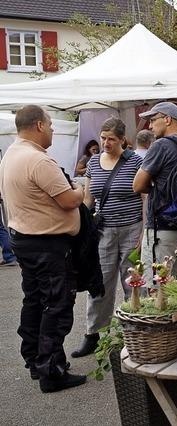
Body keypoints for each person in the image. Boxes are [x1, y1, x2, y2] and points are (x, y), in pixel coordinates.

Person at [0, 105, 87, 392]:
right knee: (56, 304)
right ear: (38, 125)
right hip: (46, 243)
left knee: (36, 300)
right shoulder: (38, 161)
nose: (52, 130)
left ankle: (37, 360)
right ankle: (51, 370)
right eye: (50, 125)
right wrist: (80, 189)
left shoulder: (12, 154)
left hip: (26, 238)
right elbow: (69, 200)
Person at [71, 118, 143, 358]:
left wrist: (144, 231)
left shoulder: (135, 161)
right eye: (103, 138)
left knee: (131, 280)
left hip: (131, 227)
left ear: (123, 140)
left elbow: (144, 198)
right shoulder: (93, 162)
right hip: (103, 231)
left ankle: (135, 330)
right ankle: (93, 333)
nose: (106, 143)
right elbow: (89, 199)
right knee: (100, 281)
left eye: (111, 139)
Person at [133, 102, 177, 284]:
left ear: (167, 119)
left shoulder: (160, 145)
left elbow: (137, 185)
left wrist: (158, 188)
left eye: (153, 119)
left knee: (157, 288)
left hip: (160, 227)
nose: (149, 125)